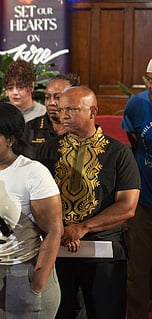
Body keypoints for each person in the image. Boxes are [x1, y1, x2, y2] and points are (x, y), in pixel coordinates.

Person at [36, 86, 140, 319]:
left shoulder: (119, 153)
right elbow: (34, 199)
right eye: (61, 109)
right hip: (57, 250)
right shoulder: (46, 151)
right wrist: (58, 230)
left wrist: (82, 228)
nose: (63, 115)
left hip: (104, 252)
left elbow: (128, 206)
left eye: (71, 109)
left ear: (93, 111)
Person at [0, 102, 63, 318]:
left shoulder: (33, 172)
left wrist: (36, 283)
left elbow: (54, 231)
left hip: (22, 272)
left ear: (10, 140)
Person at [122, 58, 152, 319]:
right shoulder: (137, 105)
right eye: (150, 80)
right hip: (144, 200)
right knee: (138, 271)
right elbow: (134, 144)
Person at [24, 73, 80, 158]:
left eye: (57, 97)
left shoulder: (82, 129)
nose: (51, 103)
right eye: (47, 97)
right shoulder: (30, 128)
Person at [3, 59, 46, 124]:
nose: (15, 92)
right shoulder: (0, 114)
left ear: (32, 86)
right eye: (10, 88)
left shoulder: (43, 114)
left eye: (20, 87)